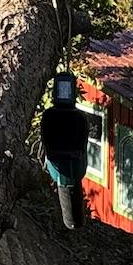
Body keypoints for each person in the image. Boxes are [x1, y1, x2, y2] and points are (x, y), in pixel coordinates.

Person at [38, 71, 91, 229]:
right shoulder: (79, 118)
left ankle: (71, 222)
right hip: (70, 164)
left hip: (59, 164)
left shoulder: (48, 116)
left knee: (67, 189)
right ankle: (72, 223)